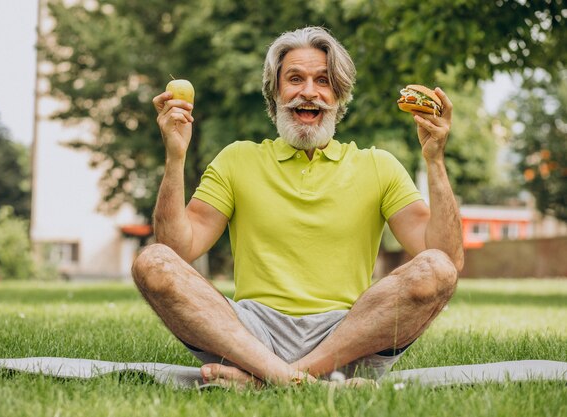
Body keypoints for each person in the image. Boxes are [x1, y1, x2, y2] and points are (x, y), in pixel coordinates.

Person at [133, 26, 464, 388]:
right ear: (275, 92)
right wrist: (175, 155)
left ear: (339, 94)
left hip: (347, 338)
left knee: (436, 268)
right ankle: (291, 378)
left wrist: (435, 161)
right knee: (152, 261)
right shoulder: (237, 159)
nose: (309, 92)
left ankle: (268, 379)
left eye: (323, 80)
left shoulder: (377, 165)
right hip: (250, 334)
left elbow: (446, 259)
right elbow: (176, 250)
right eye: (295, 79)